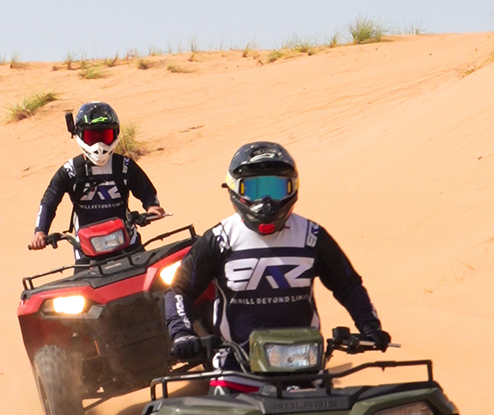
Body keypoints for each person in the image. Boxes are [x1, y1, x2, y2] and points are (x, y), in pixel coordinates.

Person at [164, 141, 390, 380]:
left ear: (293, 188)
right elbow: (179, 289)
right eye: (253, 189)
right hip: (235, 372)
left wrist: (370, 326)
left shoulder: (312, 236)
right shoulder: (219, 239)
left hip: (305, 370)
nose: (266, 201)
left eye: (276, 188)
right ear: (233, 189)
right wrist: (182, 334)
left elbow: (348, 285)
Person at [29, 102, 165, 253]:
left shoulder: (125, 166)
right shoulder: (70, 171)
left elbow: (146, 190)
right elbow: (49, 202)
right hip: (86, 249)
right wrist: (40, 231)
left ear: (115, 134)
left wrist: (152, 206)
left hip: (128, 242)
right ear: (80, 135)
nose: (99, 145)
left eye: (105, 136)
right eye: (92, 137)